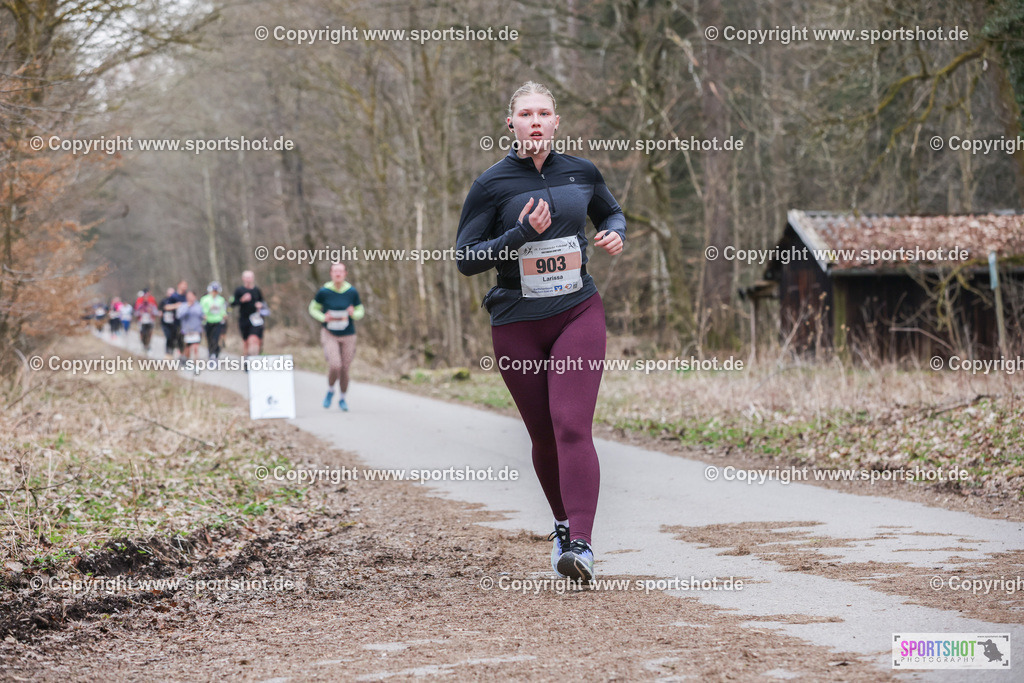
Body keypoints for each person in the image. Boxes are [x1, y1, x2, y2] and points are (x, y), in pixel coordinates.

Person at [455, 81, 625, 584]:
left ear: (555, 122)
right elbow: (467, 258)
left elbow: (609, 210)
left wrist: (615, 229)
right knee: (543, 435)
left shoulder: (581, 172)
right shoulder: (492, 185)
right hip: (517, 323)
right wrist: (520, 236)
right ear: (510, 124)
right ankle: (561, 523)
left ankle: (582, 545)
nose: (534, 120)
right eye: (525, 113)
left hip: (577, 311)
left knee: (571, 424)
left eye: (543, 113)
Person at [308, 262, 365, 411]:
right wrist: (322, 317)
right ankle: (330, 390)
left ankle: (342, 398)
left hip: (348, 334)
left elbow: (360, 310)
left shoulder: (352, 292)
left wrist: (354, 314)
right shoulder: (324, 291)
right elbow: (313, 308)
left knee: (345, 369)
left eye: (341, 271)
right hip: (330, 333)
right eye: (335, 271)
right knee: (335, 365)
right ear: (331, 274)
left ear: (345, 274)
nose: (338, 274)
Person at [230, 270, 267, 366]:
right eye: (246, 277)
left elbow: (263, 302)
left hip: (256, 319)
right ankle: (246, 360)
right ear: (243, 278)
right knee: (246, 342)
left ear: (253, 278)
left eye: (250, 277)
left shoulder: (257, 290)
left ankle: (254, 360)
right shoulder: (239, 290)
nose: (248, 279)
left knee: (254, 339)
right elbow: (232, 304)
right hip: (244, 319)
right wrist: (242, 300)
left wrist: (260, 305)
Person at [200, 282, 228, 361]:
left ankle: (215, 354)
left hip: (217, 321)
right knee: (209, 338)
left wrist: (224, 315)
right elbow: (202, 310)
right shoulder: (204, 299)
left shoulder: (221, 300)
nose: (214, 292)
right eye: (213, 290)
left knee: (215, 338)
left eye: (216, 291)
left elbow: (223, 310)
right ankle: (211, 353)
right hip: (208, 322)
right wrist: (209, 309)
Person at [175, 290, 204, 361]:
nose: (190, 298)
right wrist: (187, 307)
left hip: (197, 330)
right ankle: (187, 360)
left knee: (195, 348)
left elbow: (202, 315)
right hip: (186, 331)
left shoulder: (199, 306)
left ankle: (196, 365)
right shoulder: (183, 306)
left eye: (191, 296)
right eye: (188, 296)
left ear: (195, 297)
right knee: (187, 349)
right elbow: (179, 316)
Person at [158, 285, 185, 358]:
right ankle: (168, 352)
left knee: (176, 338)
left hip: (174, 323)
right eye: (169, 294)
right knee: (168, 337)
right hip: (166, 323)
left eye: (172, 294)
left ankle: (176, 352)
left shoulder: (177, 300)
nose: (171, 295)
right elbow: (160, 311)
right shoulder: (164, 301)